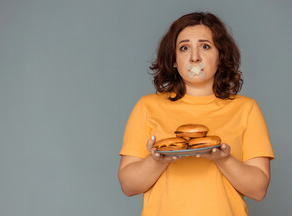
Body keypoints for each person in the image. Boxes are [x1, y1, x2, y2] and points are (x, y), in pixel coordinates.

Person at [118, 12, 275, 216]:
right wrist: (157, 159)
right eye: (184, 47)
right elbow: (128, 187)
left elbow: (258, 190)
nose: (194, 57)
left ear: (220, 56)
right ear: (174, 59)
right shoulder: (147, 106)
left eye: (205, 46)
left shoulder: (246, 108)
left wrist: (223, 159)